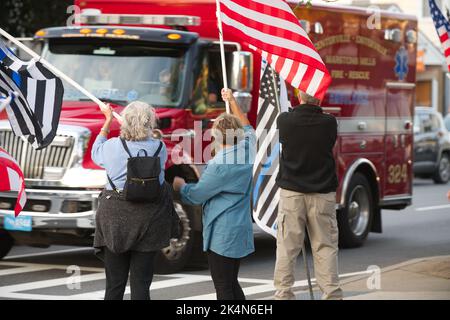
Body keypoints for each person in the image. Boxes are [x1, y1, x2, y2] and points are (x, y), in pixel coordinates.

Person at [172, 88, 255, 300]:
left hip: (222, 232)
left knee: (223, 286)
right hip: (240, 228)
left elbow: (196, 195)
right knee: (231, 282)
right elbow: (246, 125)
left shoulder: (220, 164)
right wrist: (233, 101)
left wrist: (180, 185)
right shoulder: (248, 148)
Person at [91, 101, 178, 300]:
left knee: (114, 284)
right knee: (141, 285)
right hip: (149, 219)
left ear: (125, 122)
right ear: (150, 123)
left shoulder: (112, 147)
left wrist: (107, 120)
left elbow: (96, 152)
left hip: (115, 219)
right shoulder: (159, 147)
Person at [273, 91, 343, 300]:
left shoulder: (284, 121)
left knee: (287, 248)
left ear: (298, 96)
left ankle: (284, 294)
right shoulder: (330, 123)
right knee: (325, 247)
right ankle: (331, 294)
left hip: (292, 194)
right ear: (319, 98)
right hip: (322, 194)